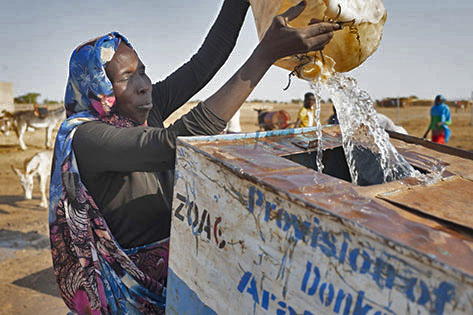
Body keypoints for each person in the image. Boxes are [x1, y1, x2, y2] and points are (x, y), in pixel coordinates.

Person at [48, 1, 340, 313]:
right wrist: (264, 55)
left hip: (180, 278)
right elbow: (172, 144)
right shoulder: (87, 138)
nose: (144, 85)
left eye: (143, 72)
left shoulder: (147, 110)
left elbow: (206, 61)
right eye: (126, 77)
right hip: (129, 297)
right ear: (97, 89)